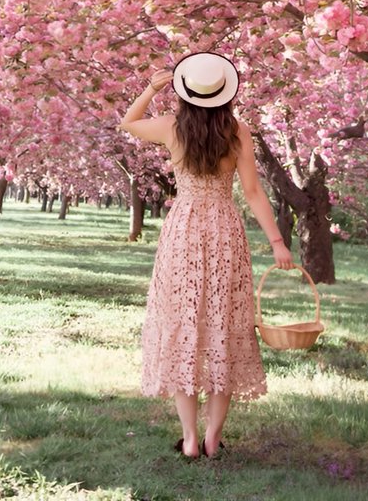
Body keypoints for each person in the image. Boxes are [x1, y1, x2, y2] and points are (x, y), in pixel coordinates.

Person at [119, 51, 294, 460]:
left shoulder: (171, 127)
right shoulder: (238, 131)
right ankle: (213, 438)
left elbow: (128, 122)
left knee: (184, 326)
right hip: (224, 230)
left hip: (183, 230)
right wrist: (277, 242)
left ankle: (189, 439)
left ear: (186, 91)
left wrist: (151, 89)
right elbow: (253, 192)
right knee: (223, 327)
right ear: (224, 92)